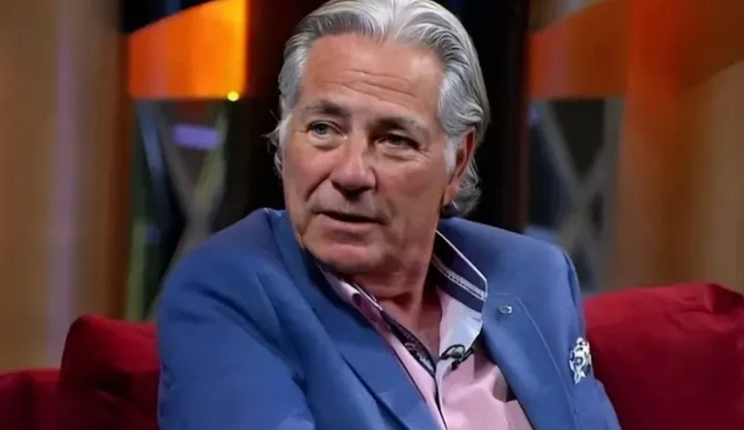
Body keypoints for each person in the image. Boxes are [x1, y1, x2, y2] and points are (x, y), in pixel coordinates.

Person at [157, 0, 621, 429]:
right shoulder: (229, 290)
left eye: (394, 140)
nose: (351, 173)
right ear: (285, 135)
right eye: (323, 128)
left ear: (457, 163)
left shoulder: (536, 277)